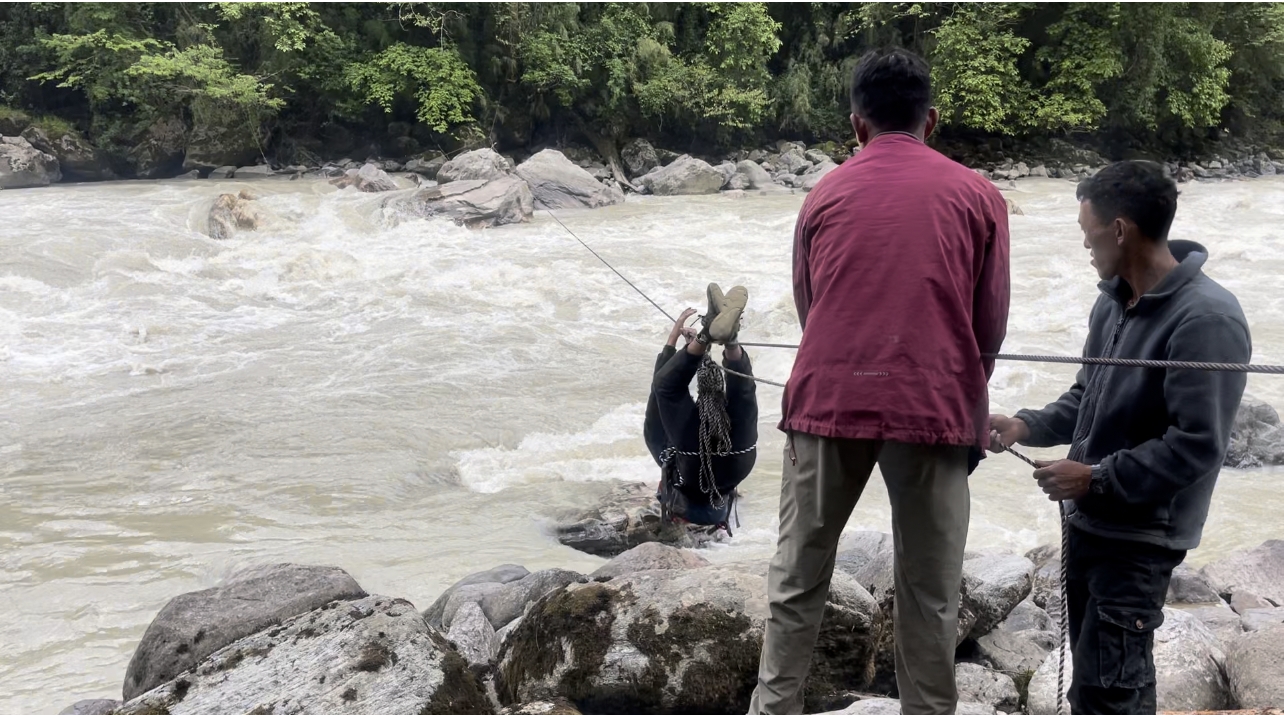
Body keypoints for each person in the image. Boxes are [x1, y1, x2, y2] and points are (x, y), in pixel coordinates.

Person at [750, 49, 1010, 715]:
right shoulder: (979, 196)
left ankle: (772, 706)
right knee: (930, 591)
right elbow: (989, 325)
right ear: (933, 120)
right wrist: (961, 406)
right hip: (932, 404)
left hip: (827, 400)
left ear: (856, 125)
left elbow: (813, 310)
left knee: (798, 578)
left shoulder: (824, 193)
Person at [989, 160, 1251, 715]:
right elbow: (1087, 395)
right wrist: (1025, 425)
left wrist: (1095, 476)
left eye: (1088, 234)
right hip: (1092, 521)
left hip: (1140, 541)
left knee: (1111, 693)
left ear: (1120, 229)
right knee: (1100, 683)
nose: (1085, 246)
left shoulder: (1207, 319)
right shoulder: (1113, 300)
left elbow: (1197, 445)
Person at [644, 284, 758, 531]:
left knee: (743, 392)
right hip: (697, 464)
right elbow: (660, 388)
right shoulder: (662, 454)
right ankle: (709, 333)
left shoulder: (724, 489)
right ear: (666, 488)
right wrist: (684, 343)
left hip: (740, 460)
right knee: (668, 388)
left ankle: (731, 340)